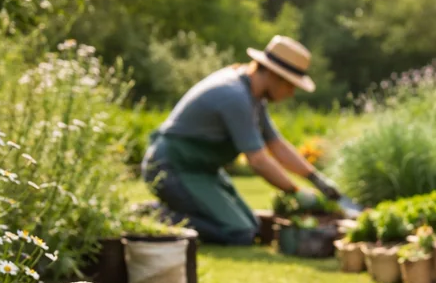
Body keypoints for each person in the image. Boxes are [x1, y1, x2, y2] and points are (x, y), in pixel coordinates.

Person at [141, 35, 346, 245]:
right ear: (275, 75)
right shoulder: (234, 96)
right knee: (238, 233)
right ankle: (152, 215)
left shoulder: (254, 97)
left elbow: (276, 144)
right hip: (171, 169)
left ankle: (169, 212)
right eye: (290, 85)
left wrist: (316, 180)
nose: (291, 93)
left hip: (200, 171)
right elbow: (258, 160)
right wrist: (295, 192)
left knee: (253, 226)